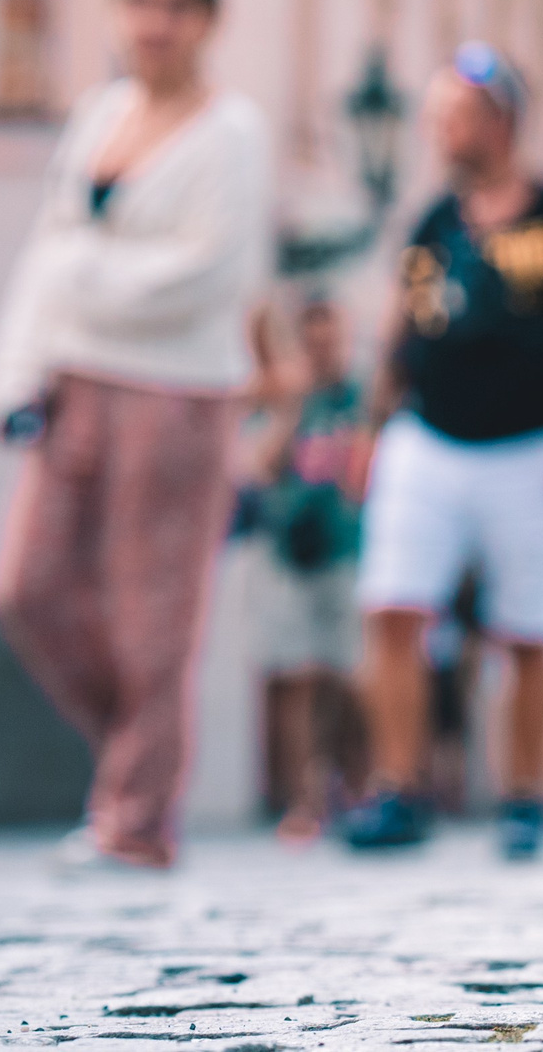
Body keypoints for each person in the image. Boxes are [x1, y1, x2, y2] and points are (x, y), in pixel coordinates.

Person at [0, 0, 273, 871]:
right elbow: (43, 250)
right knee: (27, 589)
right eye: (140, 0)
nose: (155, 22)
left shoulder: (232, 133)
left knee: (155, 613)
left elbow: (205, 274)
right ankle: (139, 755)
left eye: (175, 3)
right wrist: (13, 374)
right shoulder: (99, 114)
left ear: (207, 19)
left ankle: (136, 821)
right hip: (70, 384)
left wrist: (82, 274)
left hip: (177, 390)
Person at [345, 42, 543, 860]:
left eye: (455, 115)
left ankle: (521, 794)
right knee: (392, 605)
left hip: (532, 446)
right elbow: (396, 335)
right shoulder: (433, 225)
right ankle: (399, 787)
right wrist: (371, 431)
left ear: (501, 119)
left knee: (527, 628)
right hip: (428, 437)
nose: (441, 131)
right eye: (436, 116)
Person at [248, 296, 369, 842]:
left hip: (348, 552)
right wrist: (290, 407)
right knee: (293, 677)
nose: (322, 351)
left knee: (351, 679)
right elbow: (262, 467)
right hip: (287, 556)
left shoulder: (361, 399)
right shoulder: (283, 397)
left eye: (330, 340)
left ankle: (362, 788)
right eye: (312, 341)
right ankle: (303, 801)